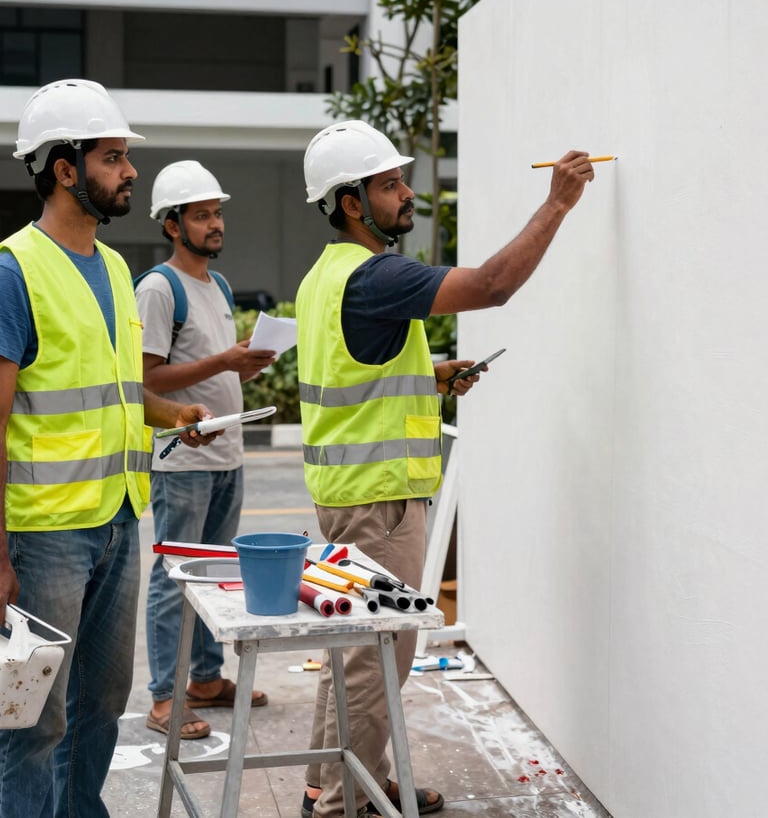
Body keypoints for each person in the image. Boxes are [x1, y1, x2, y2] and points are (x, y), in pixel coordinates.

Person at [295, 120, 596, 818]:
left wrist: (427, 376)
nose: (407, 193)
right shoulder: (378, 275)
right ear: (349, 203)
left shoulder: (325, 276)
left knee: (355, 650)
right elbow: (491, 286)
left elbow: (355, 370)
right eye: (389, 184)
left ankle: (328, 782)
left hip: (345, 493)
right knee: (380, 659)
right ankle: (345, 804)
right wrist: (555, 205)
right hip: (379, 502)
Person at [0, 78, 220, 818]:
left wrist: (172, 412)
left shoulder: (119, 268)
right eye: (114, 157)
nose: (129, 172)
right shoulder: (13, 271)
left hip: (120, 523)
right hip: (42, 538)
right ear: (65, 169)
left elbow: (120, 394)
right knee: (29, 719)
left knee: (101, 703)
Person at [135, 160, 275, 741]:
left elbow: (212, 367)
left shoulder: (215, 285)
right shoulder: (158, 289)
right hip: (184, 463)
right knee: (175, 577)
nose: (215, 223)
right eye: (201, 215)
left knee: (215, 575)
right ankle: (164, 697)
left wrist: (244, 362)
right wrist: (224, 361)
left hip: (227, 457)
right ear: (172, 225)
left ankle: (206, 679)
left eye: (217, 212)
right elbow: (146, 381)